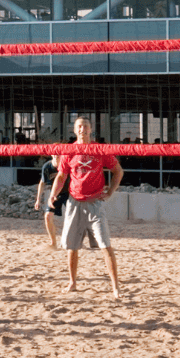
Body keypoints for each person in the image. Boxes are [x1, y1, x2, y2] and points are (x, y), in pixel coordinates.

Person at [58, 114, 122, 295]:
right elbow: (62, 176)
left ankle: (115, 286)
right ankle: (72, 283)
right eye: (79, 126)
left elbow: (118, 171)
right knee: (71, 247)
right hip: (74, 202)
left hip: (95, 203)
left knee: (105, 245)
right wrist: (51, 196)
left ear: (91, 129)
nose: (82, 129)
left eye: (86, 126)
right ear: (74, 129)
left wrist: (110, 192)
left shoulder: (99, 149)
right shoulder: (69, 150)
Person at [34, 152, 68, 247]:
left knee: (71, 218)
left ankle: (72, 241)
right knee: (47, 216)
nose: (57, 155)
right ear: (52, 155)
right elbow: (42, 183)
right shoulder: (47, 166)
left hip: (69, 193)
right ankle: (53, 243)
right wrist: (38, 199)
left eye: (59, 154)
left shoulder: (66, 164)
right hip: (55, 195)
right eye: (55, 153)